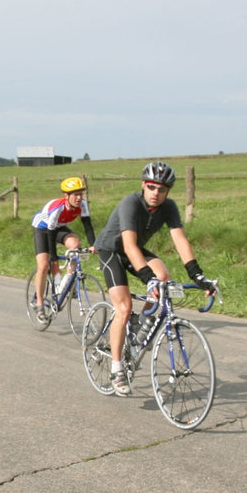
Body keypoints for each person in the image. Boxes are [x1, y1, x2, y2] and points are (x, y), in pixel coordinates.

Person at [92, 162, 217, 396]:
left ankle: (144, 323)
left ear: (168, 191)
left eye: (161, 189)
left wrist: (197, 275)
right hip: (111, 251)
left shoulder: (168, 207)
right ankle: (117, 368)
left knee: (164, 276)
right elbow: (128, 245)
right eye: (151, 187)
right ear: (143, 185)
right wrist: (147, 279)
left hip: (135, 250)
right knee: (124, 307)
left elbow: (180, 240)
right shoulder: (131, 203)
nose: (155, 193)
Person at [29, 175, 97, 320]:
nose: (79, 198)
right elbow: (50, 234)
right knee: (43, 265)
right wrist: (53, 258)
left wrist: (93, 245)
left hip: (58, 227)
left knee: (75, 246)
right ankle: (39, 303)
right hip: (43, 229)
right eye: (76, 195)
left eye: (81, 194)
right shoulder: (57, 208)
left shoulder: (83, 205)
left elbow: (88, 225)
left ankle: (68, 283)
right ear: (66, 195)